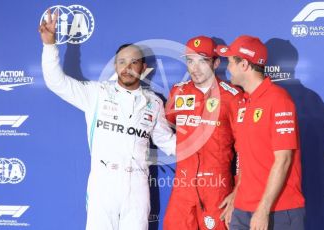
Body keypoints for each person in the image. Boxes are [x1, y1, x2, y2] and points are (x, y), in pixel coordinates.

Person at [38, 10, 176, 230]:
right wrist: (49, 46)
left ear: (143, 68)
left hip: (138, 186)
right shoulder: (96, 94)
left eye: (134, 62)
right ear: (115, 66)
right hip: (104, 184)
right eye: (122, 62)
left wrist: (206, 139)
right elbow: (57, 82)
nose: (127, 67)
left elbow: (168, 141)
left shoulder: (154, 103)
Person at [216, 35, 305, 230]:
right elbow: (248, 159)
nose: (227, 68)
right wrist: (237, 195)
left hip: (277, 211)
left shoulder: (279, 100)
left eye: (230, 62)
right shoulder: (244, 102)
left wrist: (263, 209)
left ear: (245, 65)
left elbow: (284, 160)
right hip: (242, 209)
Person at [164, 36, 242, 230]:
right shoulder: (177, 93)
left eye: (202, 61)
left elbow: (245, 150)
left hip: (217, 189)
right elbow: (165, 127)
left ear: (215, 63)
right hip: (182, 189)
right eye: (190, 60)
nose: (195, 68)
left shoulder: (233, 97)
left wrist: (238, 192)